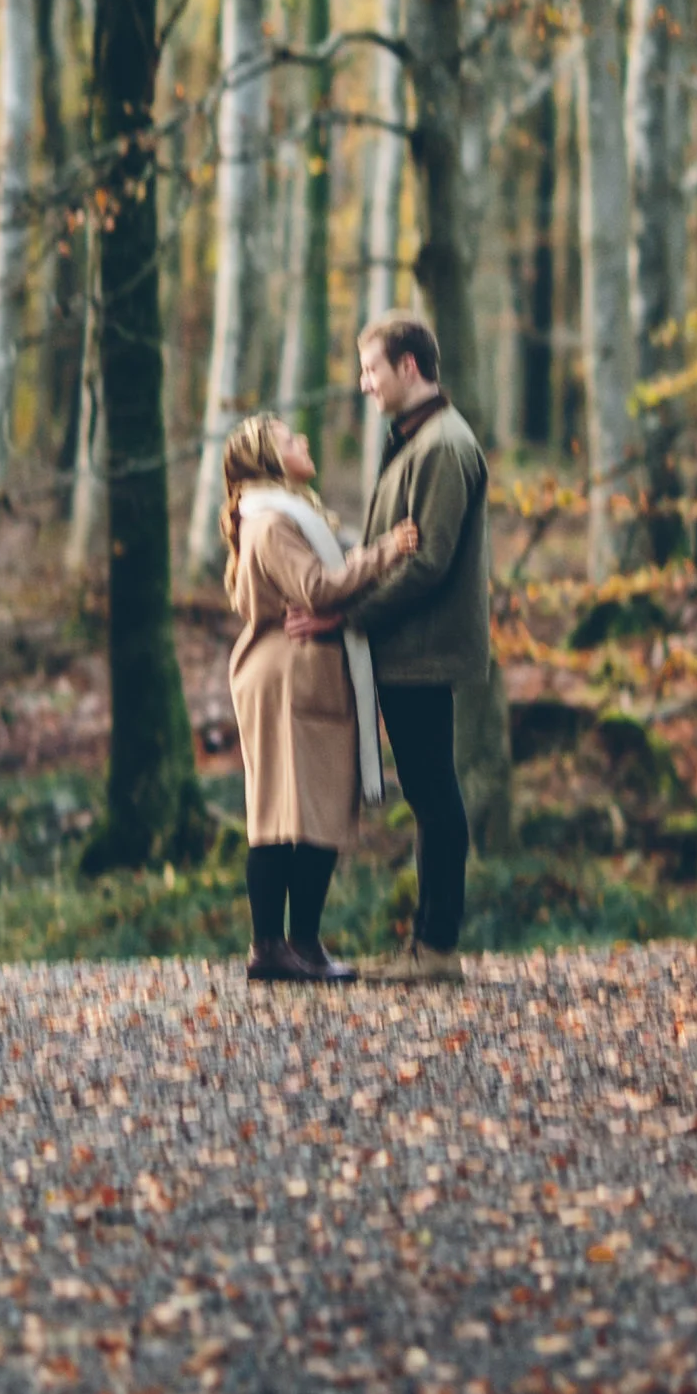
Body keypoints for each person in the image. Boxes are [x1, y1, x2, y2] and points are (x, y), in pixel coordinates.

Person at [291, 314, 489, 985]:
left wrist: (349, 619)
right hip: (405, 649)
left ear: (409, 368)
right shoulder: (413, 441)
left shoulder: (442, 447)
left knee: (435, 795)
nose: (364, 383)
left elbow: (429, 563)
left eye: (372, 369)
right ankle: (427, 947)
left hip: (420, 651)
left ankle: (435, 949)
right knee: (431, 795)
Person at [221, 410, 418, 985]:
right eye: (288, 439)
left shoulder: (285, 514)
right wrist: (390, 549)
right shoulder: (270, 520)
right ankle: (273, 947)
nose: (302, 440)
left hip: (299, 674)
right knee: (284, 814)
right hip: (288, 678)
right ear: (267, 459)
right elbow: (316, 586)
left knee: (312, 812)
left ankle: (301, 945)